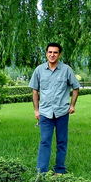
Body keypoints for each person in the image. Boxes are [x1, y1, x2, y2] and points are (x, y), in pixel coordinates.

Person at [29, 42, 80, 174]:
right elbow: (35, 91)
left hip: (62, 112)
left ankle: (60, 170)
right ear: (46, 53)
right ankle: (41, 172)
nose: (52, 55)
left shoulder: (66, 70)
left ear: (59, 54)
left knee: (61, 142)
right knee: (45, 142)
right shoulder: (39, 70)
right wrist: (36, 110)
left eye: (55, 52)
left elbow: (76, 87)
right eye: (50, 52)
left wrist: (72, 105)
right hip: (45, 113)